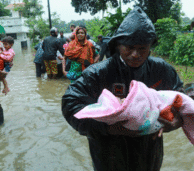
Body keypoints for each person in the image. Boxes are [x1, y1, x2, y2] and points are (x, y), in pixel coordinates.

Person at [62, 7, 184, 171]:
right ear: (118, 45)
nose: (135, 54)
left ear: (150, 47)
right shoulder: (98, 72)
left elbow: (183, 96)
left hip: (148, 150)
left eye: (142, 48)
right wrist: (107, 128)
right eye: (129, 47)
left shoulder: (161, 70)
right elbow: (70, 103)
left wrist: (175, 121)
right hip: (108, 150)